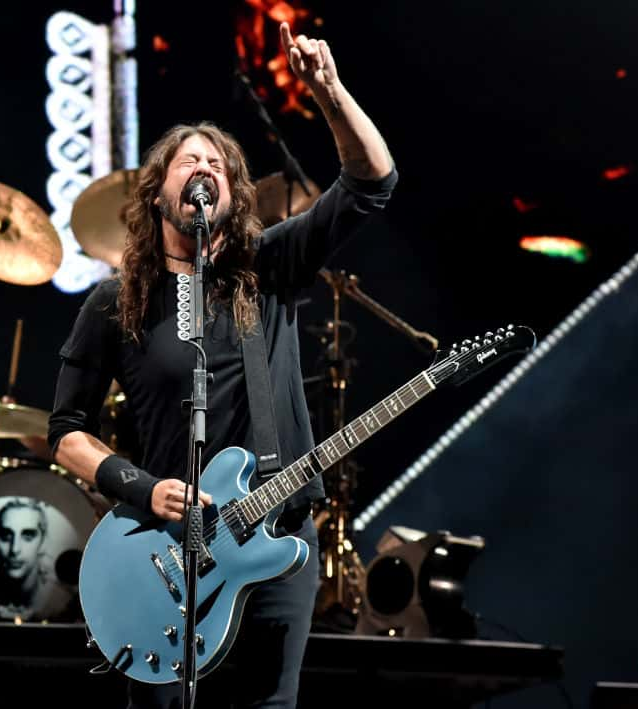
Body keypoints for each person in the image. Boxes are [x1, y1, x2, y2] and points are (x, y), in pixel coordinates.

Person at [48, 22, 396, 709]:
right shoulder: (115, 302)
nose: (204, 167)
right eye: (188, 160)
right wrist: (144, 488)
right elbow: (66, 431)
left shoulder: (269, 271)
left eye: (218, 164)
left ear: (235, 196)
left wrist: (328, 94)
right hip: (165, 555)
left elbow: (371, 183)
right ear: (157, 191)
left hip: (275, 544)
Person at [0, 497, 70, 621]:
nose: (15, 549)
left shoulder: (61, 599)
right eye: (5, 536)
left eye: (28, 536)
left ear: (43, 542)